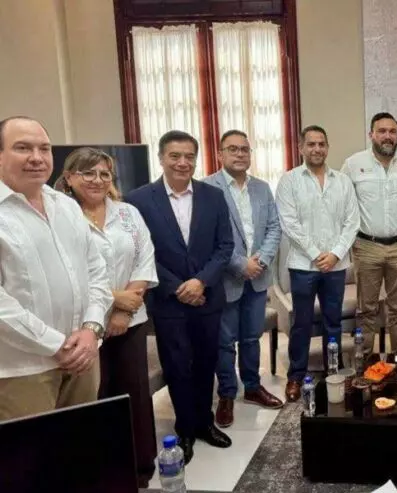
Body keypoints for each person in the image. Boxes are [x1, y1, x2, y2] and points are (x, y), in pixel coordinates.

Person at [127, 130, 234, 464]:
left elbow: (225, 246)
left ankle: (204, 422)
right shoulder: (138, 200)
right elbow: (141, 253)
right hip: (168, 300)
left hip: (207, 297)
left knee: (206, 362)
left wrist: (200, 282)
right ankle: (185, 428)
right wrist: (178, 287)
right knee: (177, 366)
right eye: (175, 156)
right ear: (161, 158)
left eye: (189, 156)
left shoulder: (213, 196)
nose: (182, 162)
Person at [55, 146, 159, 486]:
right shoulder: (59, 216)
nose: (97, 180)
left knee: (134, 395)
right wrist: (115, 300)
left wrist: (125, 309)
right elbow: (66, 273)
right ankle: (102, 470)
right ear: (69, 178)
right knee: (94, 398)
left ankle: (140, 468)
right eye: (88, 173)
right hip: (82, 327)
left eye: (104, 174)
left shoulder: (128, 213)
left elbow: (145, 258)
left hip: (131, 322)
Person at [0, 116, 112, 421]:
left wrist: (91, 330)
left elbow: (96, 271)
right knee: (32, 450)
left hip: (84, 357)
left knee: (80, 442)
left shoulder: (65, 205)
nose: (37, 157)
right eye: (23, 148)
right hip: (23, 369)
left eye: (44, 148)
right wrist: (56, 345)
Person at [205, 130, 284, 428]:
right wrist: (241, 265)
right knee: (225, 342)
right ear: (220, 154)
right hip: (226, 279)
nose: (240, 154)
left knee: (252, 337)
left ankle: (252, 386)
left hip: (258, 277)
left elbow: (274, 227)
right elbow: (208, 236)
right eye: (233, 149)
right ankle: (227, 393)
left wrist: (260, 261)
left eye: (245, 149)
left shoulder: (262, 188)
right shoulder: (207, 188)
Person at [275, 125, 360, 402]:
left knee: (333, 323)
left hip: (336, 266)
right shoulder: (289, 181)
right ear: (301, 147)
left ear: (327, 147)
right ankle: (296, 376)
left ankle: (333, 371)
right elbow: (289, 223)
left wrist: (335, 254)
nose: (317, 149)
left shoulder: (342, 181)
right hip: (303, 266)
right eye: (311, 144)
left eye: (321, 144)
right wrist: (315, 253)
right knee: (301, 323)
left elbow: (352, 222)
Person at [341, 113, 397, 354]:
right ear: (371, 134)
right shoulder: (353, 164)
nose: (387, 136)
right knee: (367, 308)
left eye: (392, 131)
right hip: (366, 246)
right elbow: (343, 205)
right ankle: (364, 359)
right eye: (382, 131)